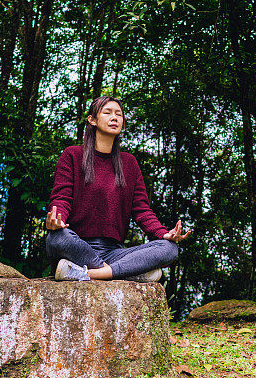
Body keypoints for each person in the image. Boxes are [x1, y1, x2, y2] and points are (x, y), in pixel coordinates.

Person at [45, 95, 191, 282]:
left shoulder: (129, 163)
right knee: (57, 237)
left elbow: (142, 210)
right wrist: (58, 219)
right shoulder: (72, 155)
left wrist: (163, 233)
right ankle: (128, 273)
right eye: (107, 113)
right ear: (92, 120)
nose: (114, 118)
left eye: (119, 114)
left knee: (169, 248)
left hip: (114, 252)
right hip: (77, 247)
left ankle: (92, 273)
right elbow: (61, 198)